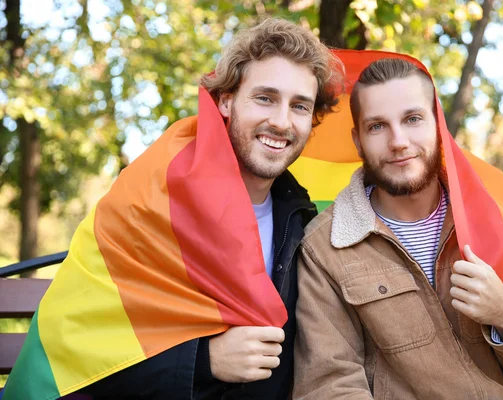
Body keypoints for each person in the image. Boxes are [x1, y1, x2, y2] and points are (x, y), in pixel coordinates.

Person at [79, 18, 343, 399]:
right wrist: (204, 360)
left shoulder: (306, 221)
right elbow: (82, 353)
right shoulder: (148, 201)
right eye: (265, 98)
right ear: (226, 99)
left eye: (299, 106)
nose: (281, 121)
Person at [293, 57, 503, 399]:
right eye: (377, 126)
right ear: (358, 140)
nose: (398, 141)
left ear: (438, 125)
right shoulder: (324, 246)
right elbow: (329, 384)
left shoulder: (496, 212)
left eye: (412, 119)